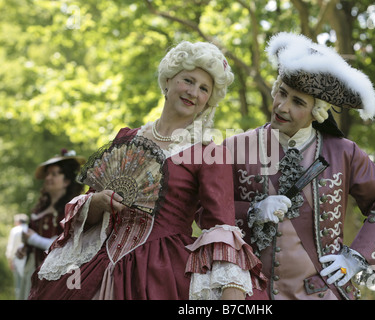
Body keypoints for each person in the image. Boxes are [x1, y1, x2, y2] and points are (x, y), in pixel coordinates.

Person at [28, 41, 266, 300]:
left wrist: (231, 291)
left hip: (163, 272)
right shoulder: (126, 138)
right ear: (168, 81)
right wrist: (98, 201)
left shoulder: (209, 153)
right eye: (188, 80)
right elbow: (86, 211)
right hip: (97, 265)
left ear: (208, 100)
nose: (193, 92)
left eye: (204, 88)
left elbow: (220, 227)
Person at [224, 32, 375, 300]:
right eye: (282, 93)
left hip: (321, 294)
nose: (282, 107)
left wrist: (357, 257)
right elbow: (206, 210)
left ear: (317, 111)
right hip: (249, 294)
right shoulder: (235, 147)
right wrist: (253, 211)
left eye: (298, 102)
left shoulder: (344, 152)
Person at [15, 149, 85, 299]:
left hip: (58, 278)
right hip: (33, 274)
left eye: (54, 174)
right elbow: (35, 238)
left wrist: (34, 239)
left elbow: (68, 247)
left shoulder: (72, 210)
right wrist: (25, 248)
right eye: (47, 174)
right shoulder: (40, 210)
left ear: (66, 181)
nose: (48, 178)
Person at [5, 213, 29, 299]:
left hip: (17, 258)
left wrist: (10, 260)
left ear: (18, 221)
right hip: (28, 259)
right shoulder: (29, 229)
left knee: (18, 284)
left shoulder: (14, 230)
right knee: (27, 283)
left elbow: (11, 247)